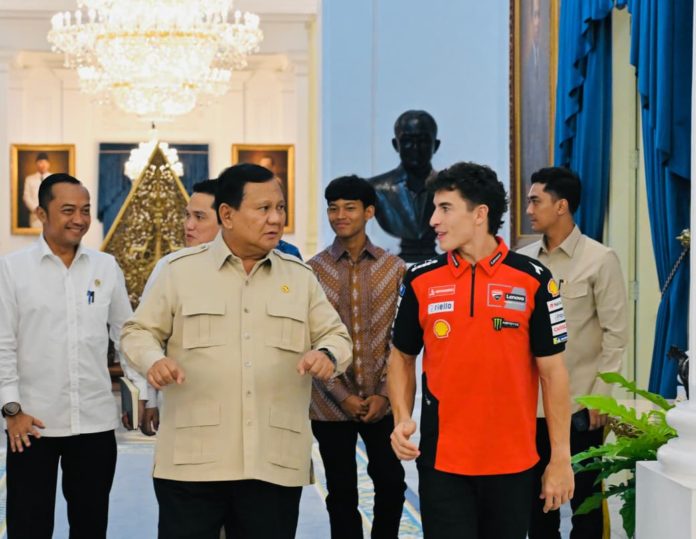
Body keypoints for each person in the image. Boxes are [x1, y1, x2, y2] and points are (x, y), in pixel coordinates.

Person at [120, 163, 353, 539]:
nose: (276, 218)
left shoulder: (299, 278)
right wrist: (154, 360)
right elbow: (137, 331)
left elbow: (337, 336)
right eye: (263, 209)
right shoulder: (179, 272)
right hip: (193, 462)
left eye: (280, 208)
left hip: (272, 462)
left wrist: (326, 354)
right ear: (227, 215)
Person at [387, 162, 575, 538]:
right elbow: (401, 357)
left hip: (513, 464)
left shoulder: (534, 279)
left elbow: (553, 373)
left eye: (445, 208)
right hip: (442, 464)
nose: (433, 220)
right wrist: (401, 418)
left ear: (479, 214)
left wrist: (560, 458)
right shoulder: (420, 279)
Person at [0, 173, 147, 538]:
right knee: (28, 527)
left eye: (85, 210)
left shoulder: (105, 267)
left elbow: (126, 334)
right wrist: (12, 410)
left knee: (91, 526)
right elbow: (3, 344)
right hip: (32, 425)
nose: (79, 219)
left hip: (95, 423)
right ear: (41, 213)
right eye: (68, 210)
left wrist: (140, 394)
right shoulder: (12, 270)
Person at [519, 167, 628, 539]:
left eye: (536, 201)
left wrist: (601, 396)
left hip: (581, 408)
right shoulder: (523, 261)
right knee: (538, 508)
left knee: (585, 508)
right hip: (531, 408)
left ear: (561, 205)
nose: (529, 210)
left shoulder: (600, 259)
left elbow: (616, 335)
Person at [308, 176, 407, 538]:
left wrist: (383, 393)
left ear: (368, 212)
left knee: (391, 482)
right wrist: (342, 395)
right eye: (333, 208)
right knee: (341, 492)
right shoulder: (312, 271)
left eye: (349, 208)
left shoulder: (394, 268)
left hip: (382, 401)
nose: (340, 215)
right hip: (329, 402)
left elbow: (400, 337)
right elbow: (310, 339)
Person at [367, 110, 440, 262]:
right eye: (407, 140)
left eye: (423, 140)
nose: (415, 147)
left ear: (436, 145)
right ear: (396, 144)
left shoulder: (451, 188)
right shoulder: (375, 189)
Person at [23, 152, 52, 228]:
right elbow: (26, 197)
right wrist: (36, 210)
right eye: (40, 162)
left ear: (48, 164)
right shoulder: (29, 179)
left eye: (45, 162)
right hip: (35, 217)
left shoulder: (54, 178)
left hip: (50, 216)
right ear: (36, 164)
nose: (43, 165)